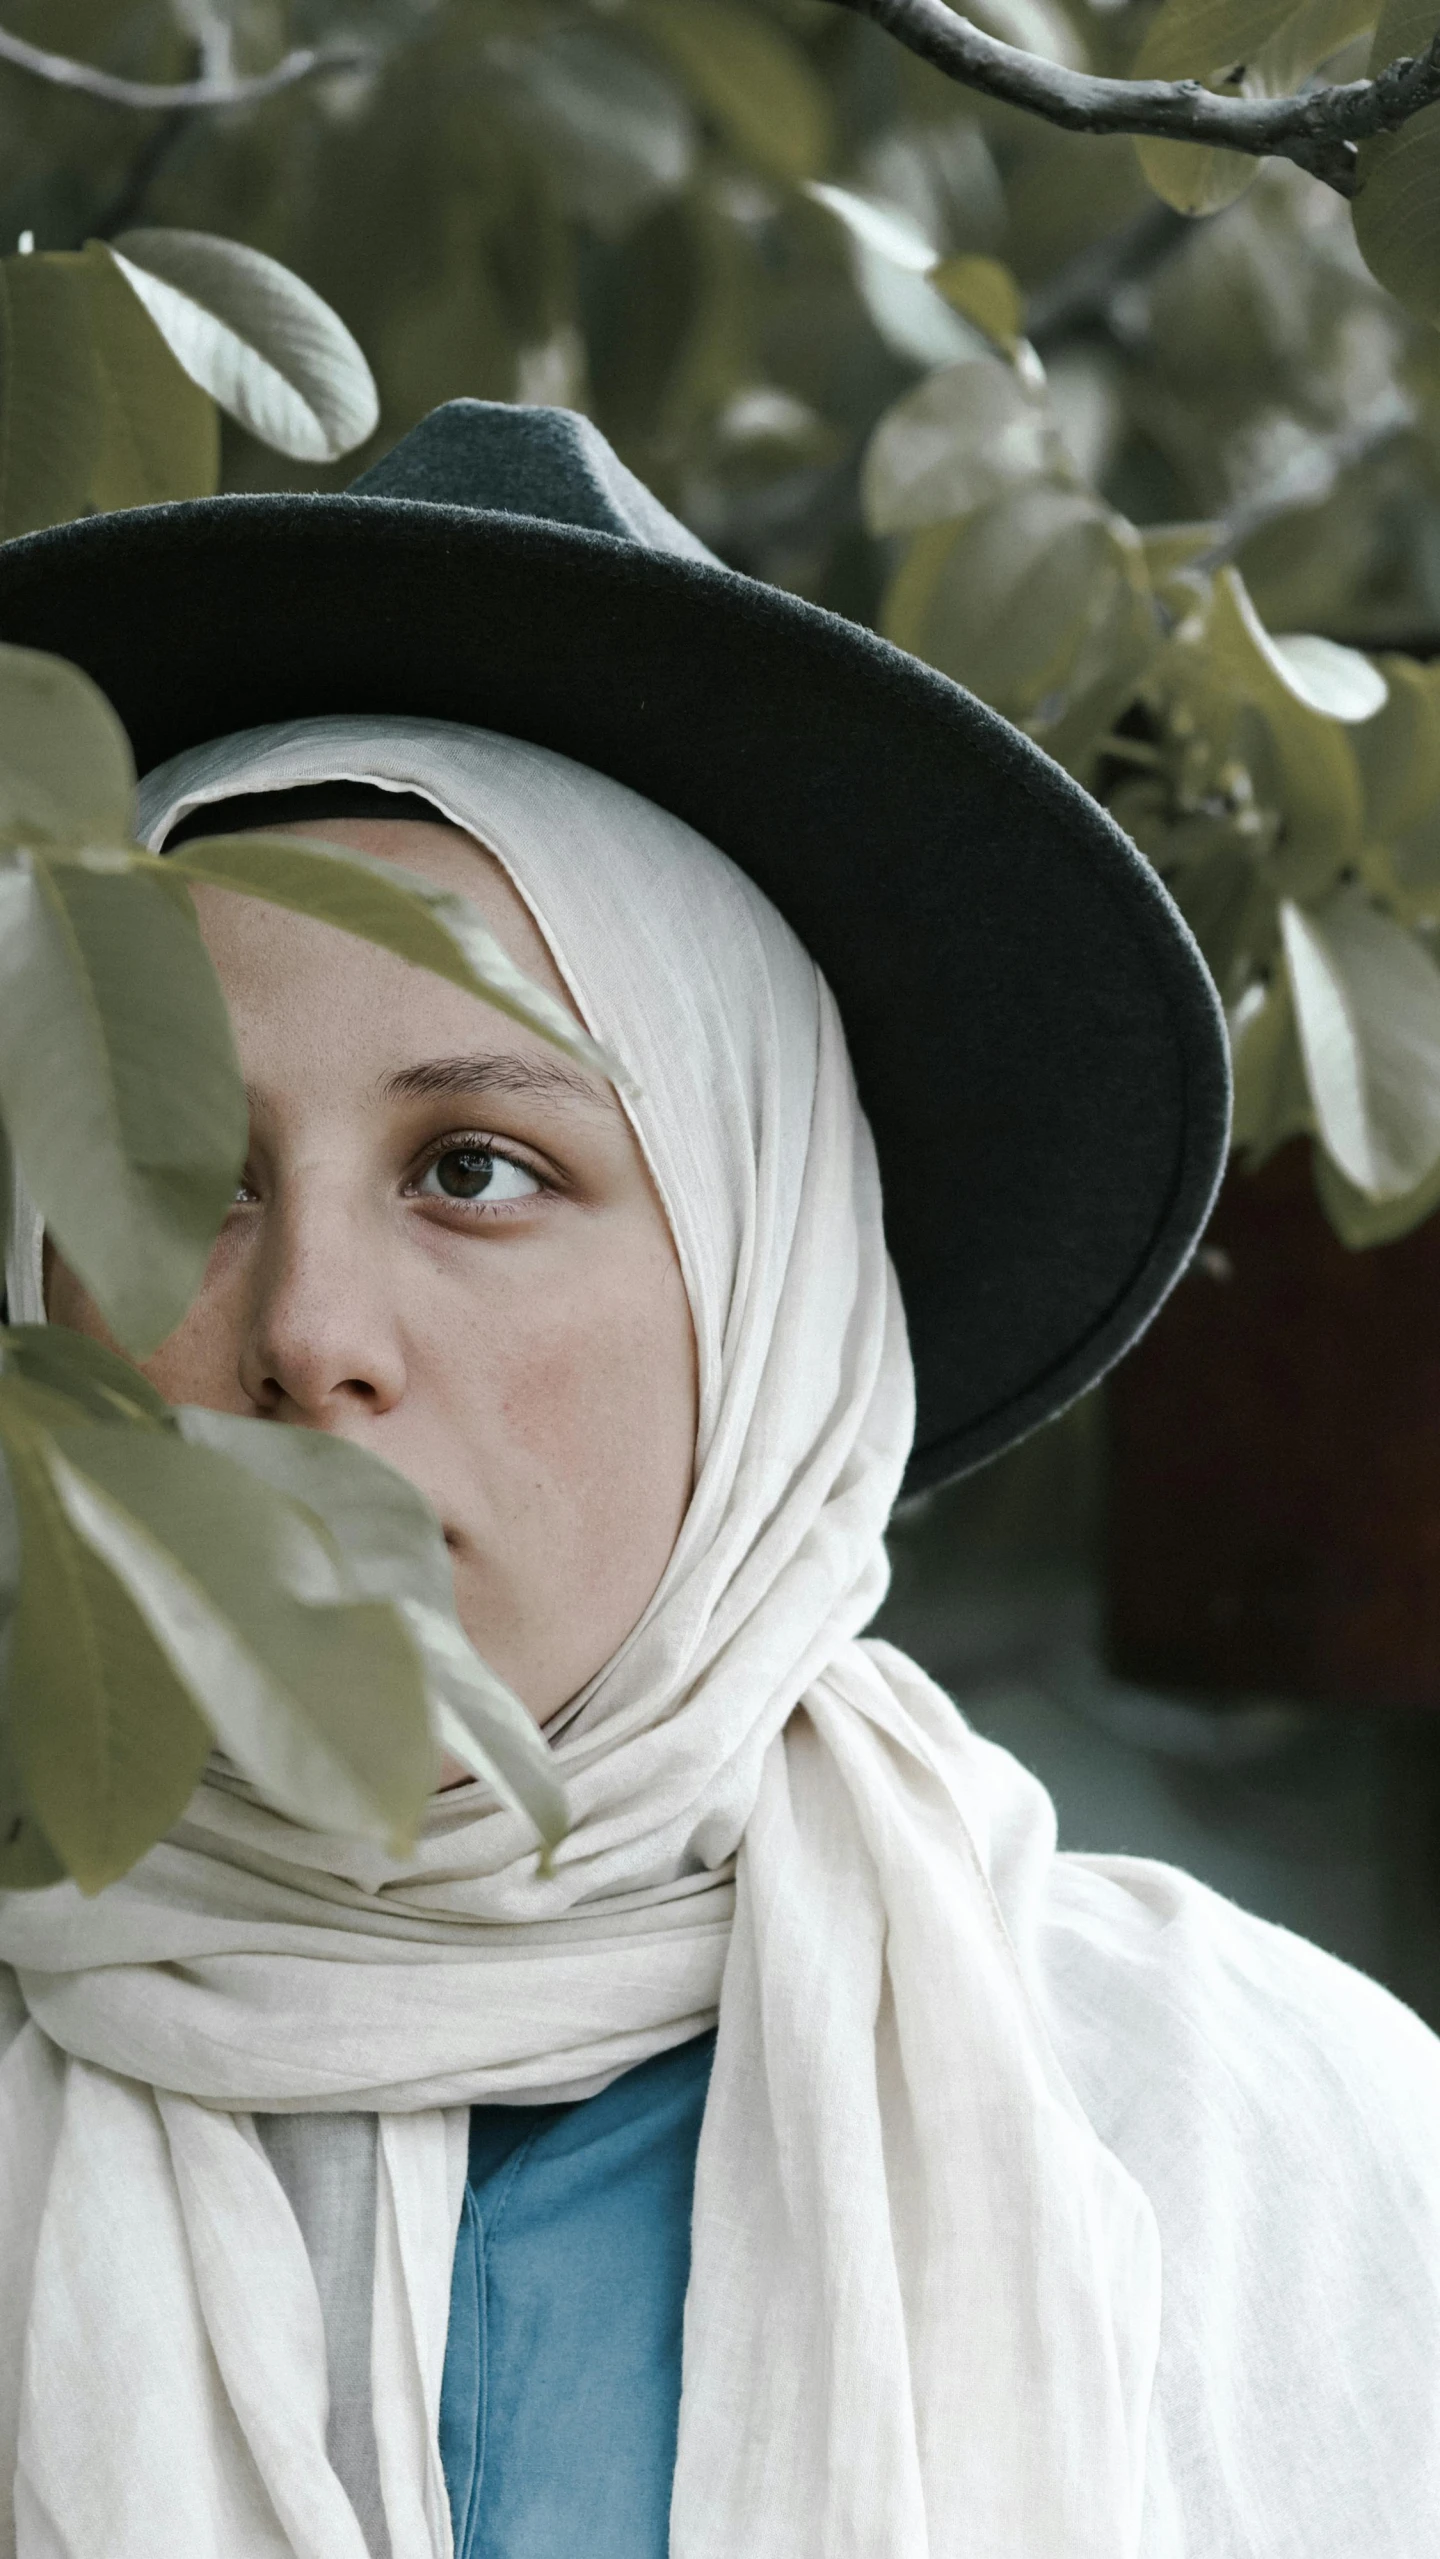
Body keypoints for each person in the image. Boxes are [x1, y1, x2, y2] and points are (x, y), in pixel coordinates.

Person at [0, 404, 1436, 2559]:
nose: (307, 1327)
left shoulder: (1268, 2149)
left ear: (770, 1309)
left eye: (477, 1168)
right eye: (177, 1175)